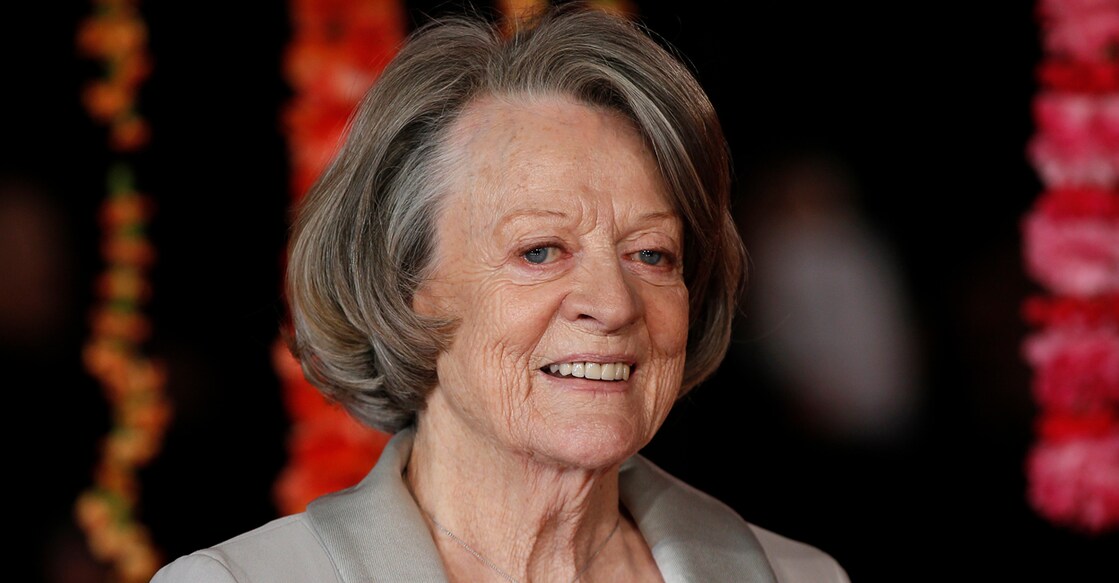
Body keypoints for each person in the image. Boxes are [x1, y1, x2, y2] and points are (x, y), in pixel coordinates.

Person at [151, 3, 850, 582]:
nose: (613, 302)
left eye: (651, 253)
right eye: (540, 250)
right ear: (405, 286)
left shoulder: (801, 576)